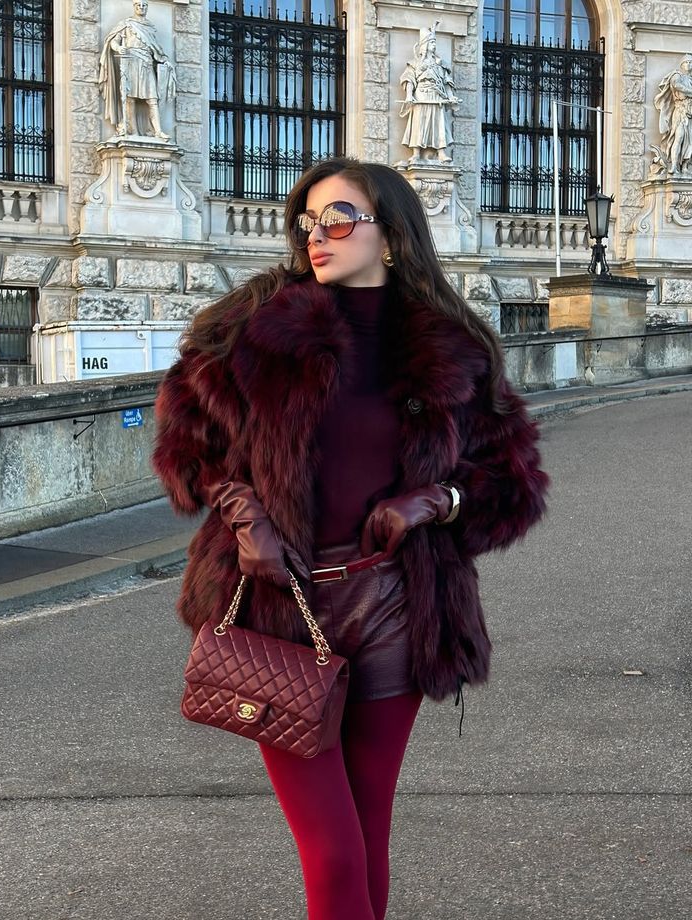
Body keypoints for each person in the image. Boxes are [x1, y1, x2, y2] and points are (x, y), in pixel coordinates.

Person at [152, 157, 550, 920]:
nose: (317, 235)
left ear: (391, 236)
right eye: (308, 222)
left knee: (367, 838)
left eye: (337, 219)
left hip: (398, 606)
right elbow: (188, 449)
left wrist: (436, 500)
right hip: (280, 607)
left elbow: (513, 480)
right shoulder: (251, 334)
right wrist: (246, 517)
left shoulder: (453, 350)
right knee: (333, 852)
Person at [98, 0, 175, 141]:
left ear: (147, 7)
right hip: (130, 61)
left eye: (144, 5)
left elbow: (156, 49)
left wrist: (165, 61)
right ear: (134, 7)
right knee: (130, 97)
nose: (141, 7)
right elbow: (114, 41)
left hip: (146, 63)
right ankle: (132, 130)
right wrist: (119, 48)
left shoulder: (150, 27)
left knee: (152, 98)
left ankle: (158, 131)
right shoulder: (127, 24)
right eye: (138, 5)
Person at [399, 23, 460, 163]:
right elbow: (409, 79)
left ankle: (441, 152)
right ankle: (416, 152)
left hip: (437, 96)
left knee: (439, 123)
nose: (434, 45)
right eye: (432, 42)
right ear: (425, 45)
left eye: (435, 42)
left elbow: (447, 82)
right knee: (419, 123)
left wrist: (451, 97)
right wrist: (409, 95)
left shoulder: (440, 64)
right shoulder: (415, 63)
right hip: (421, 95)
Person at [654, 54, 692, 175]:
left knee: (690, 142)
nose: (689, 65)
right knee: (679, 137)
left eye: (690, 62)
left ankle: (685, 166)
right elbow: (677, 85)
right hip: (681, 111)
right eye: (686, 62)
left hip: (690, 112)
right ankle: (674, 166)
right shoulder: (676, 75)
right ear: (682, 65)